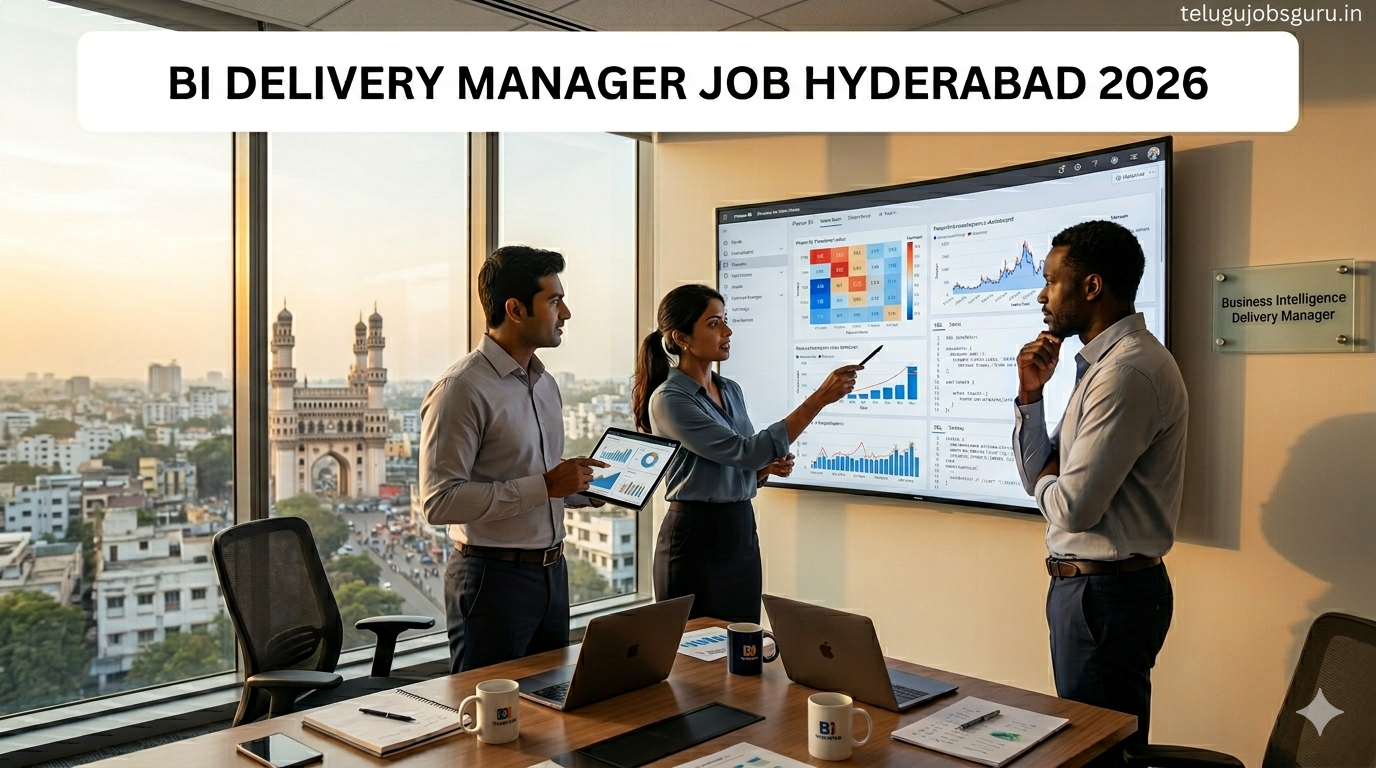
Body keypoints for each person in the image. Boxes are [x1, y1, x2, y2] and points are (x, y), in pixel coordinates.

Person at [1012, 220, 1187, 761]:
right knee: (1087, 749)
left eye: (1051, 281)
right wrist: (1030, 397)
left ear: (1091, 287)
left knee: (1099, 756)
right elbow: (1040, 475)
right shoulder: (1098, 366)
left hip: (1106, 597)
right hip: (1089, 592)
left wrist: (1049, 480)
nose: (1041, 295)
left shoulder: (1127, 372)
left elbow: (1073, 508)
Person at [421, 245, 608, 673]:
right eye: (555, 301)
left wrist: (586, 488)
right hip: (491, 580)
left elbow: (541, 481)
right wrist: (545, 486)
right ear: (516, 309)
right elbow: (440, 501)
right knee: (489, 721)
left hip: (551, 573)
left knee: (549, 715)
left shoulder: (545, 385)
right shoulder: (461, 388)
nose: (567, 313)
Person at [632, 284, 861, 624]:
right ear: (681, 338)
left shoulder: (730, 390)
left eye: (725, 321)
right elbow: (745, 451)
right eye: (713, 324)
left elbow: (741, 463)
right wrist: (818, 400)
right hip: (694, 538)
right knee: (693, 656)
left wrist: (764, 469)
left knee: (743, 646)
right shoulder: (669, 399)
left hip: (740, 531)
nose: (727, 331)